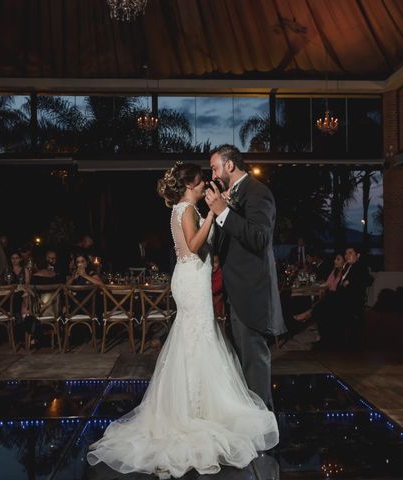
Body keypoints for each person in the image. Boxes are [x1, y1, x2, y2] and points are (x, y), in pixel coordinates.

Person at [88, 162, 278, 478]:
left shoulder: (184, 207)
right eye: (201, 178)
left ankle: (197, 405)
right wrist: (215, 216)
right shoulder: (187, 209)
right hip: (191, 279)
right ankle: (195, 410)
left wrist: (216, 214)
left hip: (193, 277)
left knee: (197, 338)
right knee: (199, 337)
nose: (205, 181)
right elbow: (192, 245)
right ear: (190, 183)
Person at [205, 144, 286, 410]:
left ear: (229, 165)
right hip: (233, 290)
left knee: (254, 359)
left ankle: (263, 422)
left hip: (250, 291)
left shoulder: (258, 192)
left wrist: (224, 212)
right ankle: (249, 417)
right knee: (241, 359)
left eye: (215, 167)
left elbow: (260, 238)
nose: (213, 173)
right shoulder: (231, 195)